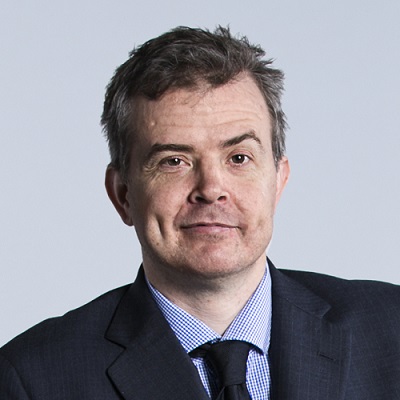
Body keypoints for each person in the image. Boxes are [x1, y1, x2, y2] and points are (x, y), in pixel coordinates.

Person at [1, 26, 399, 400]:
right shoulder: (34, 378)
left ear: (278, 180)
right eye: (174, 161)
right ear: (122, 194)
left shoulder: (390, 328)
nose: (211, 189)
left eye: (239, 157)